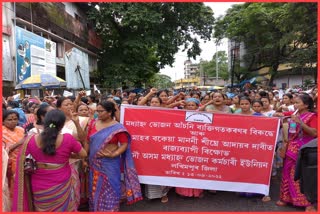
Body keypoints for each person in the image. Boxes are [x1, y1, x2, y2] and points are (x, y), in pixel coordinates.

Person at [12, 109, 87, 211]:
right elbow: (83, 154)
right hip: (61, 182)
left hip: (38, 184)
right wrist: (66, 155)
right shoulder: (68, 138)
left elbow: (22, 160)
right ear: (62, 124)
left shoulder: (31, 139)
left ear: (45, 121)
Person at [86, 101, 142, 211]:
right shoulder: (93, 123)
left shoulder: (117, 128)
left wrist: (114, 154)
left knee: (111, 187)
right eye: (97, 111)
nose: (98, 113)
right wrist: (85, 158)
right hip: (94, 164)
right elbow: (88, 141)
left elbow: (125, 144)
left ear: (110, 112)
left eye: (101, 111)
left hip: (110, 164)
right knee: (94, 188)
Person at [276, 94, 317, 212]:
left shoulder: (312, 116)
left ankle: (308, 202)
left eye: (297, 103)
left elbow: (315, 133)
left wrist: (300, 123)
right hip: (291, 148)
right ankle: (286, 198)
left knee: (302, 175)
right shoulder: (295, 114)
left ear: (306, 105)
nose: (294, 105)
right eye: (294, 102)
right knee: (287, 173)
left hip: (304, 150)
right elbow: (278, 114)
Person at [2, 110, 26, 200]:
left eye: (15, 119)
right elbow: (3, 151)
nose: (13, 121)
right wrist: (18, 143)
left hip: (22, 162)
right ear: (3, 121)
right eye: (9, 119)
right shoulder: (2, 132)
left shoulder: (21, 130)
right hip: (8, 165)